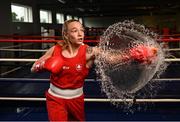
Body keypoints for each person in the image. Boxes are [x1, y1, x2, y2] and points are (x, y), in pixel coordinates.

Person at [31, 19, 157, 121]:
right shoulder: (55, 50)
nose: (80, 34)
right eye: (75, 31)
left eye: (82, 30)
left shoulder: (89, 52)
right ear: (66, 34)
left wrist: (132, 56)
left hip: (76, 100)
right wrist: (41, 66)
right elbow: (33, 68)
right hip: (55, 99)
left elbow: (111, 58)